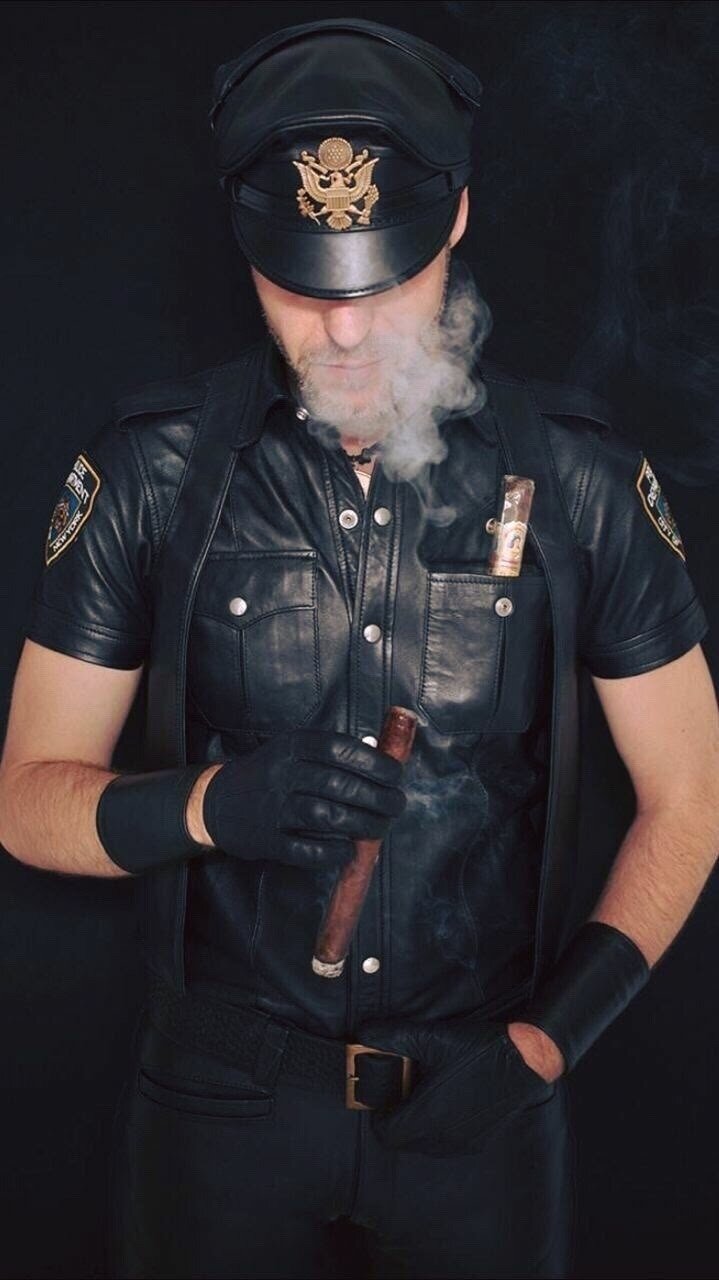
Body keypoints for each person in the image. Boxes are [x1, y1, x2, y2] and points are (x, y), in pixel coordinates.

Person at [1, 16, 717, 1280]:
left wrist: (544, 1044)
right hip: (218, 1105)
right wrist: (212, 804)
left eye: (382, 286)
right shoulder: (151, 472)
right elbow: (22, 802)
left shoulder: (578, 478)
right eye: (304, 290)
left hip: (481, 1100)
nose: (343, 334)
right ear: (246, 248)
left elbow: (690, 798)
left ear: (453, 222)